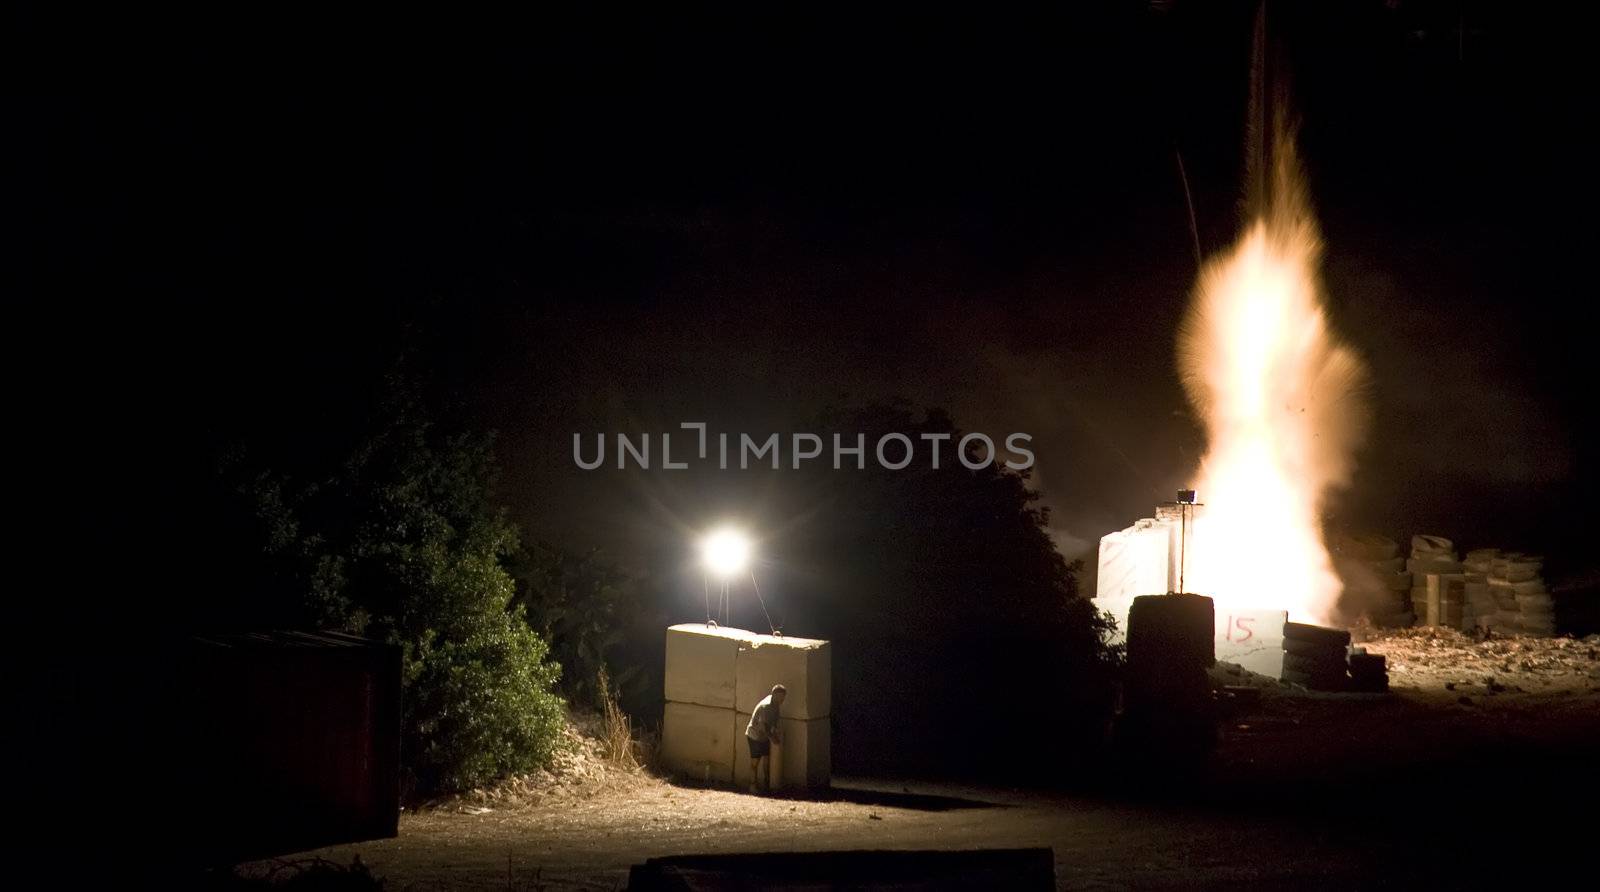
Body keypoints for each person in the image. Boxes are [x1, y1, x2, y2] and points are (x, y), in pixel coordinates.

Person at [745, 683, 786, 793]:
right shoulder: (765, 706)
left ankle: (767, 785)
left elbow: (775, 721)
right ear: (775, 695)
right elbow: (763, 726)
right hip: (755, 735)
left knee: (767, 760)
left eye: (783, 698)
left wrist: (776, 732)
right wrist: (773, 738)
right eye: (781, 697)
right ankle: (752, 785)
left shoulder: (776, 704)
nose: (782, 700)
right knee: (755, 762)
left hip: (764, 736)